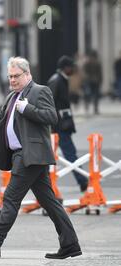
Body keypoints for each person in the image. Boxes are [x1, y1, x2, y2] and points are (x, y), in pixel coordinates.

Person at [0, 56, 82, 260]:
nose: (12, 80)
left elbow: (52, 117)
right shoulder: (12, 96)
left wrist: (28, 109)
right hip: (24, 156)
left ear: (28, 75)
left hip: (30, 155)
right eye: (10, 76)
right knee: (49, 202)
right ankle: (70, 244)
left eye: (16, 76)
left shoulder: (39, 91)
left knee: (10, 199)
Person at [47, 56, 88, 192]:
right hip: (60, 125)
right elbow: (50, 103)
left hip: (63, 124)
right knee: (69, 154)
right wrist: (53, 125)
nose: (73, 69)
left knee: (53, 155)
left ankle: (82, 180)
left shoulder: (60, 79)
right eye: (71, 66)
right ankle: (82, 180)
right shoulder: (57, 81)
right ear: (65, 67)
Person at [83, 50, 102, 115]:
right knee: (94, 95)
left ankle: (89, 106)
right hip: (95, 81)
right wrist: (100, 80)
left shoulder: (88, 63)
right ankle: (94, 108)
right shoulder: (97, 63)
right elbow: (100, 73)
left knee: (90, 94)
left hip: (90, 80)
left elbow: (85, 71)